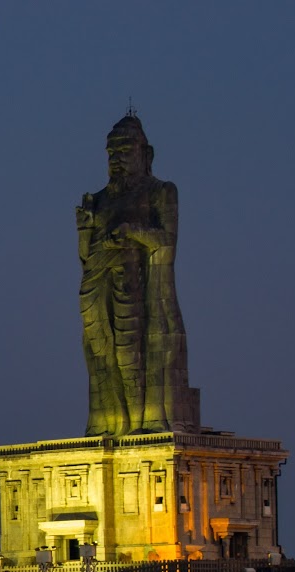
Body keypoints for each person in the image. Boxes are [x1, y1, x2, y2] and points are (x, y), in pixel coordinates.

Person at [77, 113, 192, 436]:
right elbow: (86, 257)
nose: (117, 158)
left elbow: (166, 240)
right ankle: (111, 424)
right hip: (98, 287)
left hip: (139, 288)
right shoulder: (99, 200)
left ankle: (144, 422)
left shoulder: (160, 192)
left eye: (126, 149)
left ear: (146, 154)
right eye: (112, 152)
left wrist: (131, 232)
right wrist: (85, 228)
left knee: (133, 354)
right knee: (102, 352)